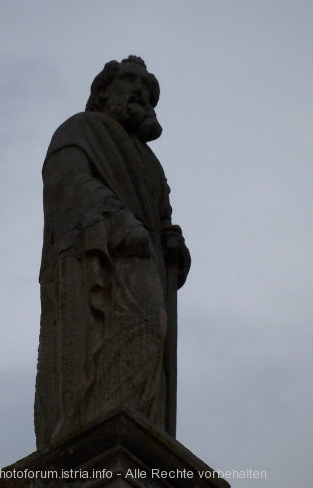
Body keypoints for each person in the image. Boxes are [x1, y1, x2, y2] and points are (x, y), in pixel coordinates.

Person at [35, 55, 191, 448]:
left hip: (147, 269)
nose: (142, 90)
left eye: (149, 88)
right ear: (104, 90)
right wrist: (122, 224)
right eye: (130, 79)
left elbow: (161, 222)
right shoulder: (81, 130)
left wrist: (174, 246)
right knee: (105, 349)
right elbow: (66, 184)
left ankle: (139, 433)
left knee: (148, 343)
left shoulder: (151, 165)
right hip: (104, 260)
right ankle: (97, 429)